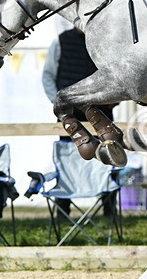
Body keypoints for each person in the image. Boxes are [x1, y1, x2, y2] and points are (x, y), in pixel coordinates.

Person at [42, 28, 114, 216]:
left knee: (108, 155)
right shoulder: (62, 41)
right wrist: (59, 104)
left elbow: (116, 74)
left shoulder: (105, 38)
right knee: (66, 158)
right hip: (70, 116)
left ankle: (109, 211)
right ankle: (62, 211)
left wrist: (114, 100)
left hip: (101, 112)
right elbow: (48, 76)